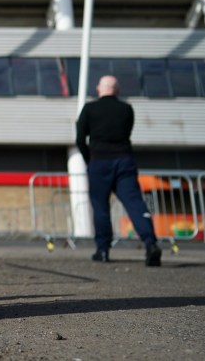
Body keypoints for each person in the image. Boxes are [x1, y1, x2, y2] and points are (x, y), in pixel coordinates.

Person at [76, 75, 161, 266]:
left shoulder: (90, 109)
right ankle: (150, 243)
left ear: (99, 89)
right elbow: (127, 132)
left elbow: (80, 139)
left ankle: (103, 249)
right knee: (135, 204)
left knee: (100, 207)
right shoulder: (126, 109)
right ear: (118, 90)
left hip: (99, 162)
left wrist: (90, 159)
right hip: (124, 161)